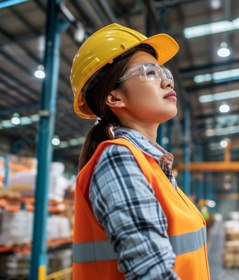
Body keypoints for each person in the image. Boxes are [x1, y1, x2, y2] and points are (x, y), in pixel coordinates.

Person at [70, 23, 210, 280]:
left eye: (165, 72)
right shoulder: (118, 159)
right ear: (114, 98)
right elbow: (151, 273)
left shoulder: (154, 165)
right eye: (150, 73)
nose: (167, 80)